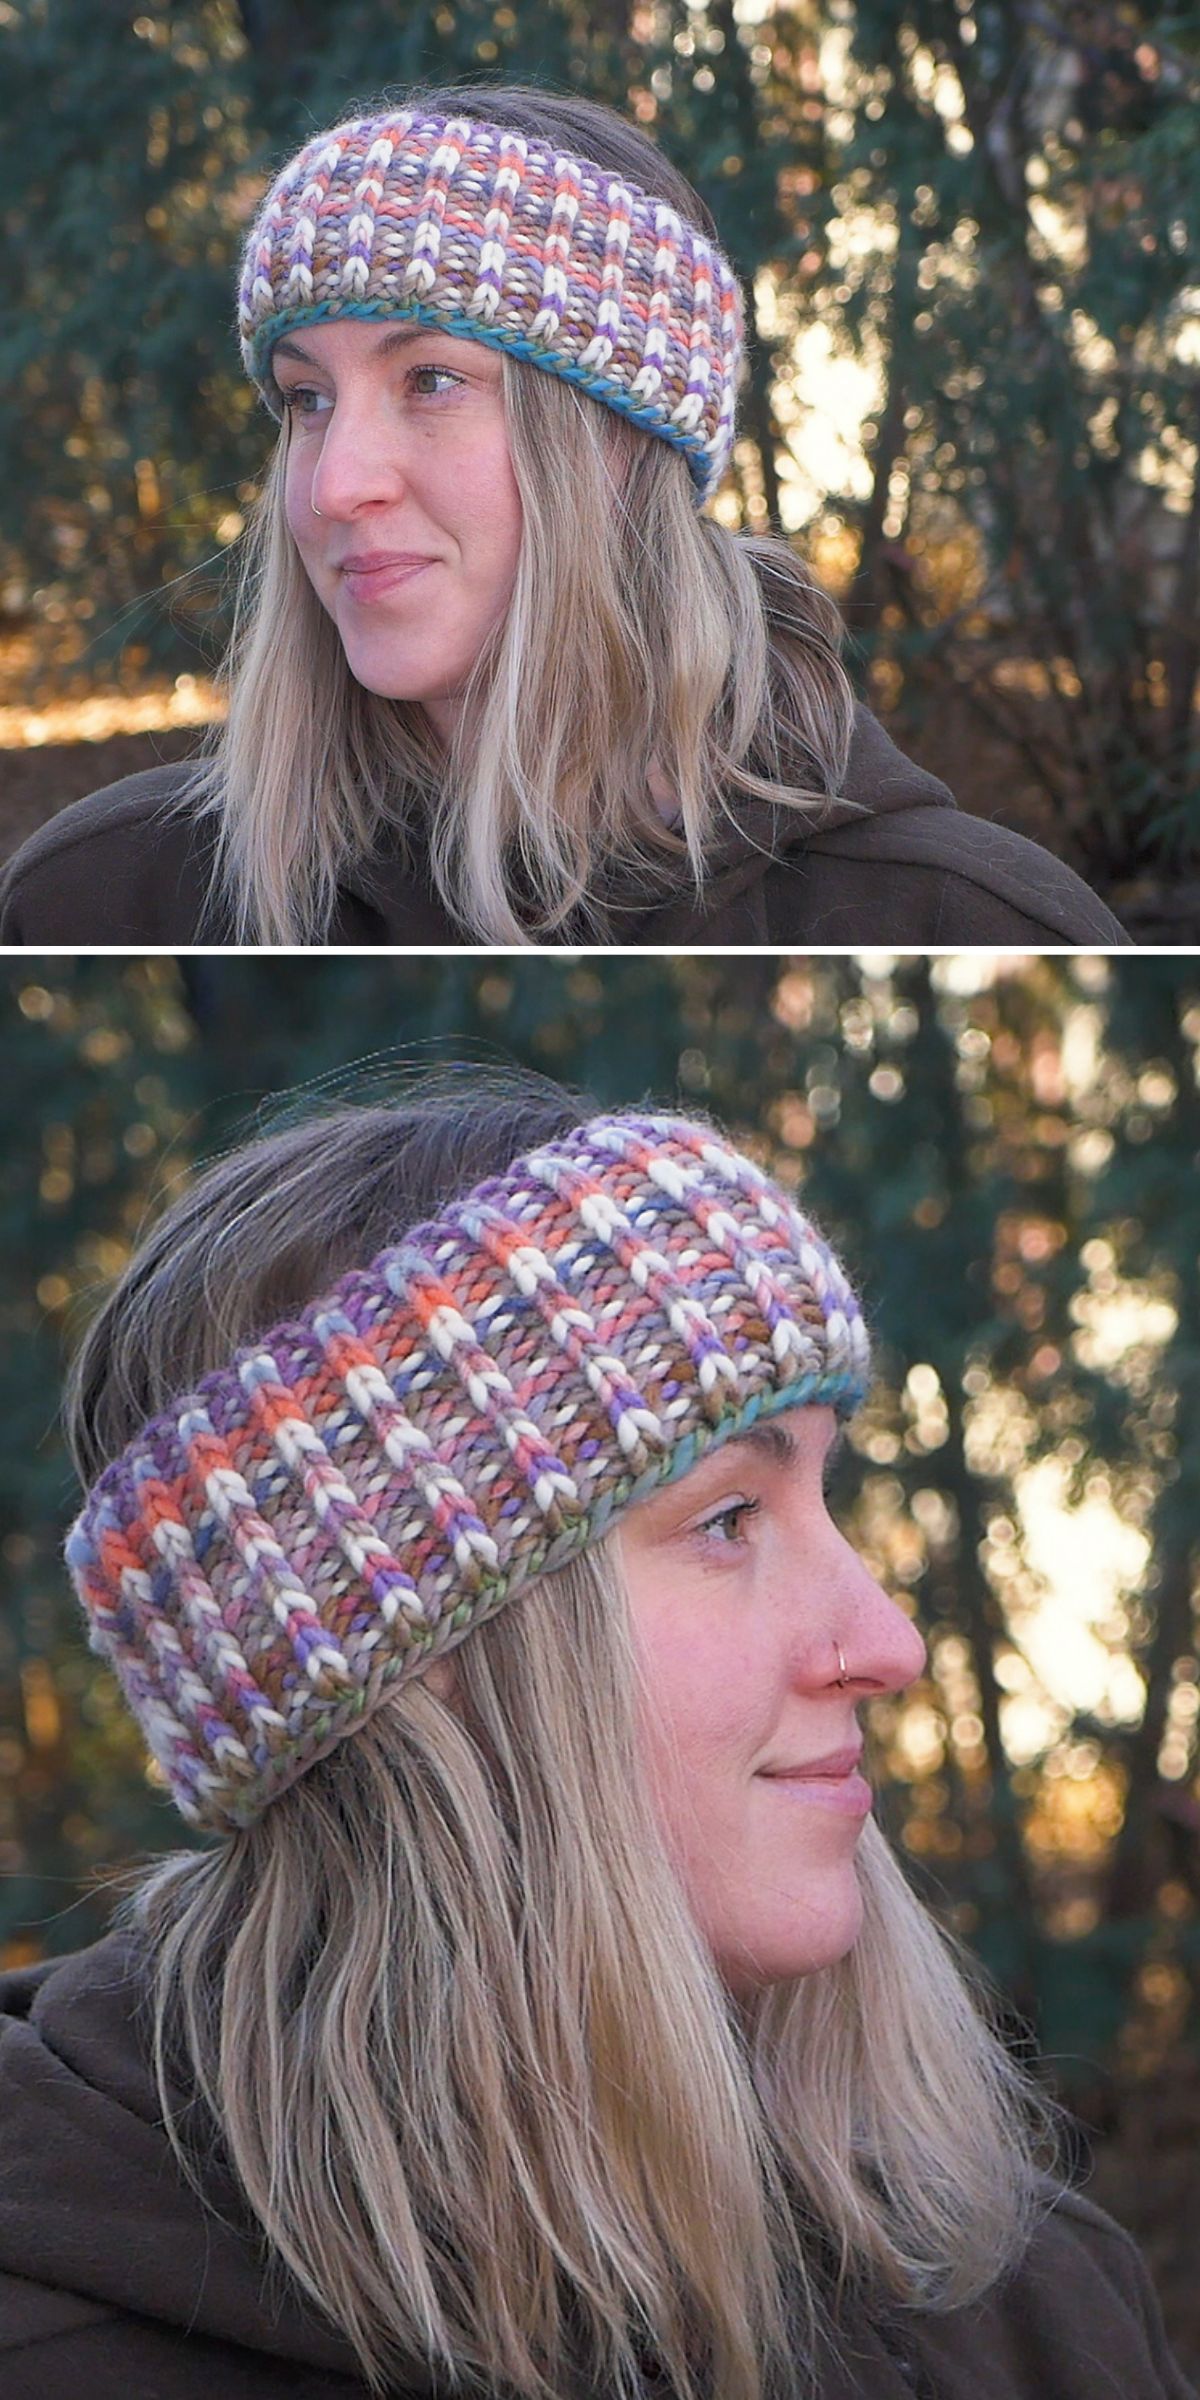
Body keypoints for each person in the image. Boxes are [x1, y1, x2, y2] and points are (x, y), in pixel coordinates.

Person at [0, 1070, 1190, 2400]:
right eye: (730, 1518)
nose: (886, 1641)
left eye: (824, 1500)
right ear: (405, 1667)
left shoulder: (1029, 2311)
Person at [0, 83, 1128, 947]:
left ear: (628, 444)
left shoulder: (959, 918)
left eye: (431, 381)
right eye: (306, 398)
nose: (336, 484)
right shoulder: (109, 897)